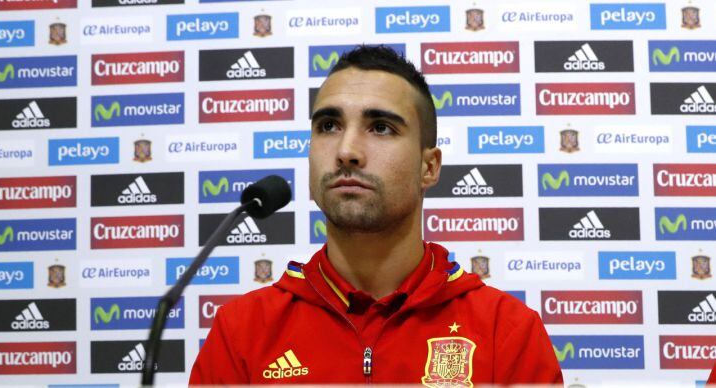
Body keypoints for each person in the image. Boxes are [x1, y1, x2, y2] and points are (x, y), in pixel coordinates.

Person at [189, 45, 563, 385]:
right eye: (328, 126)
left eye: (380, 128)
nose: (347, 150)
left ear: (428, 167)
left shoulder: (507, 331)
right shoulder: (242, 330)